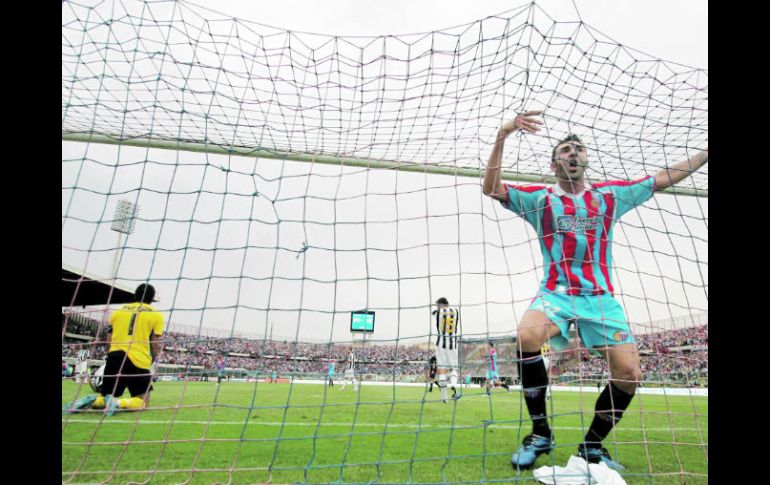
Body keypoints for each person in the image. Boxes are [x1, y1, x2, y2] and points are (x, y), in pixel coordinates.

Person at [483, 111, 707, 470]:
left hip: (600, 299)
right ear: (554, 163)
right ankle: (540, 433)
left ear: (585, 159)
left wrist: (704, 153)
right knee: (526, 335)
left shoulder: (608, 197)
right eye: (566, 150)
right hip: (556, 293)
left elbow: (662, 178)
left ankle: (592, 445)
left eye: (578, 149)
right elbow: (492, 188)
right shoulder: (540, 199)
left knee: (630, 373)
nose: (573, 154)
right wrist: (503, 134)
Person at [63, 283, 164, 416]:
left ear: (135, 295)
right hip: (138, 359)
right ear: (151, 299)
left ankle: (92, 401)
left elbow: (109, 339)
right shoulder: (157, 315)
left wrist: (111, 356)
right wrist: (156, 357)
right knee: (143, 403)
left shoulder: (118, 312)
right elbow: (155, 342)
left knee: (105, 397)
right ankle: (118, 403)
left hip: (115, 356)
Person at [432, 297, 461, 402]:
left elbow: (435, 312)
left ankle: (444, 398)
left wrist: (439, 309)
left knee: (442, 371)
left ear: (441, 304)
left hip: (440, 344)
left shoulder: (437, 313)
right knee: (453, 369)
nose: (437, 307)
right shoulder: (456, 311)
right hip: (453, 344)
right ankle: (453, 385)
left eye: (438, 305)